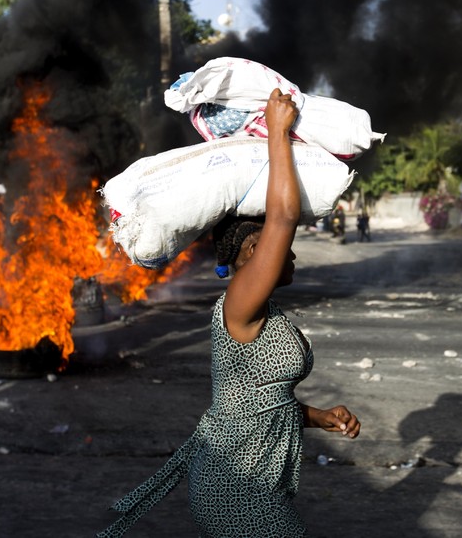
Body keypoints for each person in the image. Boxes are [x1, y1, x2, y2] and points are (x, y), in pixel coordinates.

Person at [100, 89, 361, 538]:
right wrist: (277, 133)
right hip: (232, 483)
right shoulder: (239, 301)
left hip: (258, 481)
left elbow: (259, 402)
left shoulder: (265, 311)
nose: (291, 254)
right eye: (280, 248)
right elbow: (281, 217)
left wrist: (320, 416)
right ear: (252, 253)